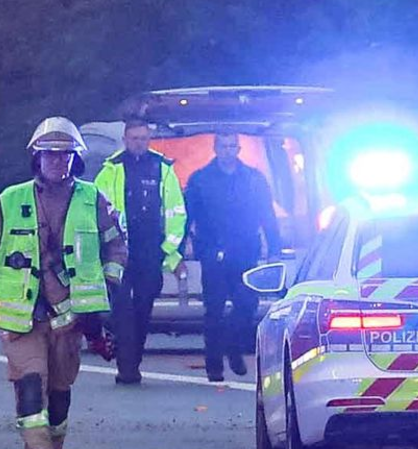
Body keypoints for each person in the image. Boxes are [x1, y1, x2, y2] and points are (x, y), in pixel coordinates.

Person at [0, 117, 126, 449]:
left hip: (71, 318)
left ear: (75, 160)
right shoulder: (11, 199)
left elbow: (117, 246)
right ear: (36, 158)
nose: (57, 162)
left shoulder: (94, 199)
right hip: (22, 317)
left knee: (59, 393)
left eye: (64, 156)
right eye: (49, 156)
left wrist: (105, 287)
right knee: (30, 385)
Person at [94, 118, 187, 384]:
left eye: (144, 139)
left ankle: (134, 358)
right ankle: (127, 368)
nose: (139, 144)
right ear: (125, 139)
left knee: (143, 309)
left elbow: (176, 212)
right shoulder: (111, 170)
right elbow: (98, 212)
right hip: (119, 252)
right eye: (134, 138)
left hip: (150, 251)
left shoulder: (162, 169)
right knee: (122, 310)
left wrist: (170, 252)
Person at [184, 132, 280, 382]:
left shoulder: (253, 179)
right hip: (213, 251)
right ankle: (214, 364)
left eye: (232, 146)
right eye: (224, 146)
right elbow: (187, 216)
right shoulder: (200, 180)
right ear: (215, 148)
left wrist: (275, 248)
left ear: (238, 149)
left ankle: (234, 346)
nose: (228, 151)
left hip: (246, 250)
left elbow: (267, 214)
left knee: (247, 304)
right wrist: (181, 249)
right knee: (213, 309)